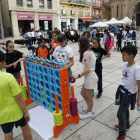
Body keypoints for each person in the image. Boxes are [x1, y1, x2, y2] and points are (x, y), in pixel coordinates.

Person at [0, 50, 33, 140]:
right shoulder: (8, 77)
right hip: (16, 111)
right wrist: (26, 112)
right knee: (25, 129)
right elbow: (18, 97)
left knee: (7, 133)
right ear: (0, 63)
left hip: (2, 114)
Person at [115, 45, 140, 140]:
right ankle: (126, 124)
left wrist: (138, 99)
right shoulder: (125, 65)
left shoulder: (137, 68)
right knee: (124, 110)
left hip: (129, 95)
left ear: (131, 56)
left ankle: (122, 132)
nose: (122, 57)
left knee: (120, 113)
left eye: (123, 55)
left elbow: (139, 84)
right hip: (121, 91)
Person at [72, 37, 98, 119]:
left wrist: (78, 76)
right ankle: (89, 108)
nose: (79, 47)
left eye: (79, 45)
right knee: (83, 93)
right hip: (89, 76)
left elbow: (88, 69)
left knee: (89, 96)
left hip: (90, 76)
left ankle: (89, 112)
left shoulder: (86, 53)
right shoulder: (90, 51)